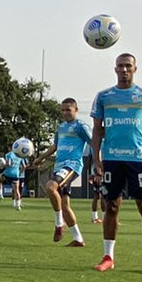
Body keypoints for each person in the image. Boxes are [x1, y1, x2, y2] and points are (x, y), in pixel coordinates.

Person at [89, 52, 142, 274]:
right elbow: (97, 130)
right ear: (115, 69)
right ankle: (108, 257)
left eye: (128, 66)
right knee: (110, 207)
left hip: (138, 160)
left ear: (135, 69)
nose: (124, 70)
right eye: (120, 66)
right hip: (112, 159)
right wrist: (97, 159)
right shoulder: (104, 97)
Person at [47, 97, 89, 247]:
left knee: (51, 187)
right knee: (65, 206)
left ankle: (59, 224)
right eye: (63, 110)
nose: (65, 113)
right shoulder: (61, 127)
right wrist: (40, 158)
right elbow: (55, 146)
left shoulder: (81, 127)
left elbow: (93, 142)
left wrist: (99, 163)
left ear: (76, 110)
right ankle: (78, 239)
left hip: (72, 166)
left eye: (68, 110)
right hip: (59, 166)